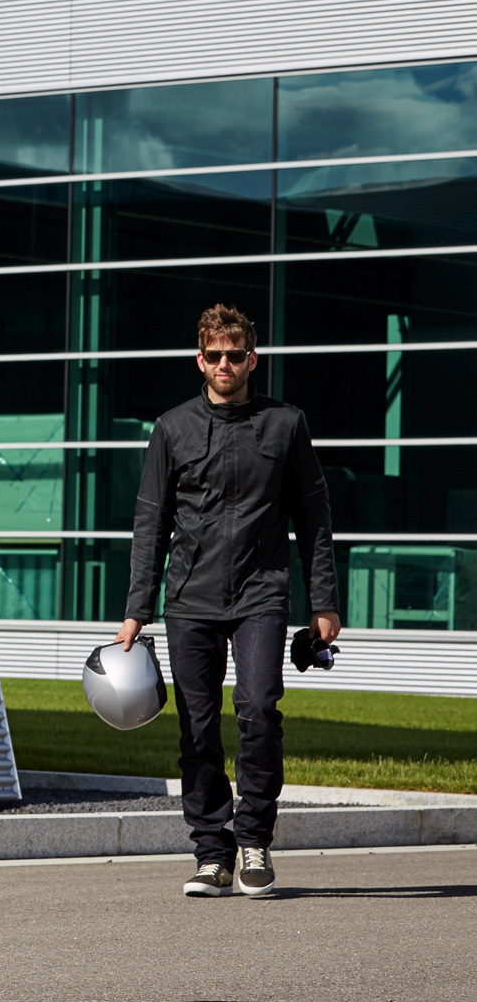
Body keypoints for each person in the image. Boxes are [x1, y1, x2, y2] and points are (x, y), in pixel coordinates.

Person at [115, 304, 340, 899]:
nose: (224, 364)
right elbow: (150, 523)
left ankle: (255, 841)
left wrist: (324, 602)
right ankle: (211, 854)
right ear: (200, 360)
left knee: (260, 710)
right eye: (213, 355)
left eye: (234, 355)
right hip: (190, 599)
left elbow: (314, 518)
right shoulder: (172, 428)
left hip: (261, 593)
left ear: (251, 359)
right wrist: (136, 610)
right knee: (197, 727)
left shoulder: (285, 425)